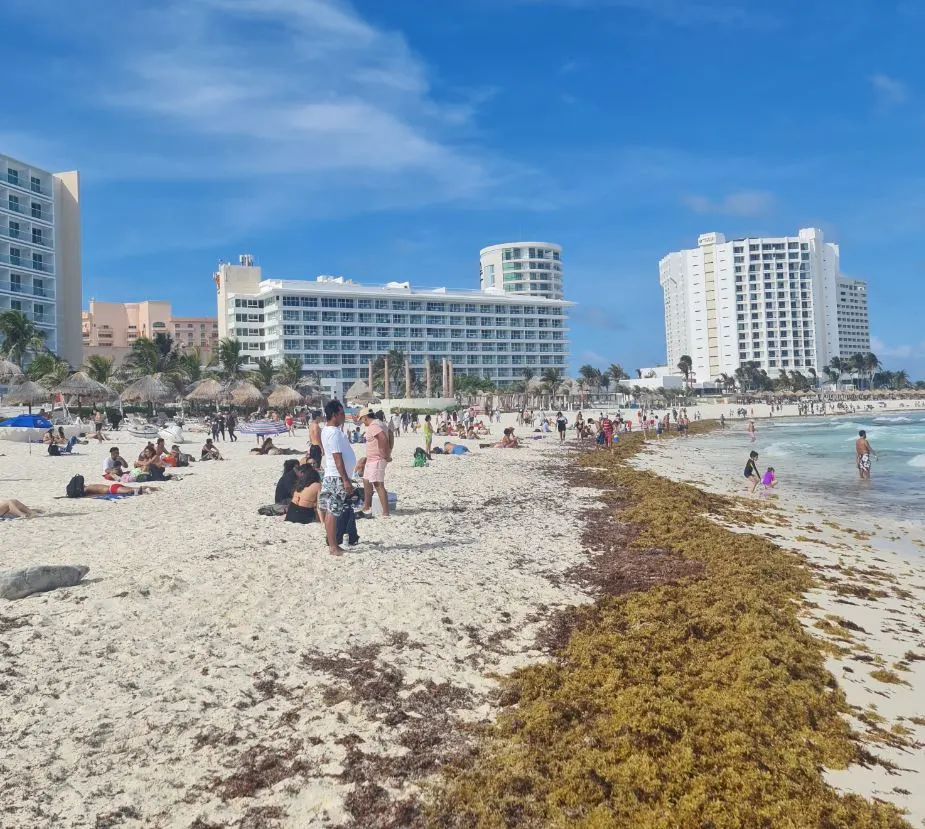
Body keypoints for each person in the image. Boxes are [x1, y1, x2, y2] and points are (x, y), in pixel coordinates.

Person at [318, 399, 356, 557]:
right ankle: (333, 546)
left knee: (330, 511)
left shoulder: (328, 430)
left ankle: (332, 543)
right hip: (335, 477)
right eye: (341, 414)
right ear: (334, 415)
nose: (343, 416)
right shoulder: (333, 432)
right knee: (333, 511)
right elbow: (337, 458)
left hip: (332, 475)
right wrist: (346, 480)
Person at [358, 406, 391, 518]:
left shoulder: (374, 426)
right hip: (372, 459)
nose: (362, 422)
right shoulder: (380, 423)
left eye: (361, 419)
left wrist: (384, 454)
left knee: (378, 484)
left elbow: (383, 438)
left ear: (365, 417)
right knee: (366, 480)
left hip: (376, 459)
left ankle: (386, 513)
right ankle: (367, 506)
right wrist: (389, 450)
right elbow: (390, 434)